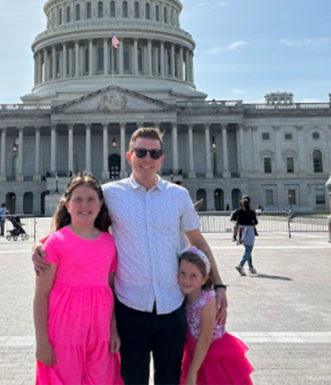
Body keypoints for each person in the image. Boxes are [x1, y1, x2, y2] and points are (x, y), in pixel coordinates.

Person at [33, 127, 227, 385]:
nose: (147, 158)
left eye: (154, 153)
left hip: (172, 304)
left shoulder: (178, 196)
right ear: (129, 155)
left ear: (162, 158)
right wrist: (41, 243)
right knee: (132, 379)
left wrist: (219, 284)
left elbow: (199, 243)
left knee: (169, 378)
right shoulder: (111, 194)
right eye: (141, 152)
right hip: (130, 307)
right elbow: (81, 222)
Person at [34, 173, 122, 385]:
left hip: (100, 332)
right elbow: (41, 296)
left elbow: (111, 289)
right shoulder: (55, 243)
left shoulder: (110, 243)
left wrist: (113, 329)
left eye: (91, 199)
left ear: (100, 204)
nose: (85, 205)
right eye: (78, 199)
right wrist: (42, 342)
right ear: (66, 204)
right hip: (64, 331)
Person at [178, 247, 254, 385]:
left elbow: (205, 337)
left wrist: (193, 371)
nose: (186, 280)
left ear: (204, 279)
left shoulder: (207, 301)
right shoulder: (181, 296)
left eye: (193, 275)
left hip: (214, 356)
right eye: (182, 273)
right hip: (195, 354)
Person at [233, 197, 259, 276]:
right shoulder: (251, 212)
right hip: (249, 229)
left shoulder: (238, 211)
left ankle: (251, 267)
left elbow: (233, 218)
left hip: (241, 230)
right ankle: (240, 265)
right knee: (249, 248)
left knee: (247, 250)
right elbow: (256, 222)